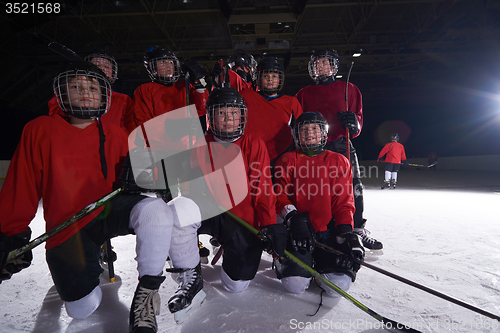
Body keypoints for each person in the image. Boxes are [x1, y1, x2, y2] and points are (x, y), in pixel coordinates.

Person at [0, 62, 203, 332]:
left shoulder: (117, 134)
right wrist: (10, 234)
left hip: (108, 211)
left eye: (92, 87)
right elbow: (21, 186)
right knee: (82, 308)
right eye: (76, 87)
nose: (85, 92)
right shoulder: (40, 130)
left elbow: (145, 168)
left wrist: (151, 176)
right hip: (69, 225)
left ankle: (146, 295)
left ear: (104, 95)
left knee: (155, 209)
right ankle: (88, 264)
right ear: (62, 94)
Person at [193, 87, 287, 293]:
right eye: (222, 113)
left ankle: (230, 245)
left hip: (240, 217)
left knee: (236, 285)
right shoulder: (199, 145)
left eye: (234, 113)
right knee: (178, 215)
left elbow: (261, 187)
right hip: (210, 212)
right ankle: (187, 270)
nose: (228, 118)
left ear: (242, 116)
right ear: (211, 117)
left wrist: (269, 224)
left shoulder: (253, 143)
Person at [295, 49, 382, 250]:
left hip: (342, 143)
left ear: (334, 66)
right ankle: (320, 227)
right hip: (314, 146)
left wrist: (353, 124)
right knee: (315, 187)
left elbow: (358, 123)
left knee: (354, 186)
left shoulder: (349, 89)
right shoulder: (303, 93)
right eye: (317, 64)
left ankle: (357, 229)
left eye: (325, 63)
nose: (321, 67)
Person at [273, 112, 364, 295]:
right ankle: (287, 260)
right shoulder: (287, 160)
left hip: (327, 231)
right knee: (295, 285)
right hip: (298, 231)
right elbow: (279, 195)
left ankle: (322, 264)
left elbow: (343, 201)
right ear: (297, 134)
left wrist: (346, 232)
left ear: (323, 133)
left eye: (314, 128)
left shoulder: (339, 160)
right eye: (304, 130)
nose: (310, 133)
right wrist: (293, 217)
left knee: (338, 287)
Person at [133, 46, 209, 150]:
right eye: (162, 62)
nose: (168, 66)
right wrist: (172, 128)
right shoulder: (145, 90)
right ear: (152, 67)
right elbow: (144, 126)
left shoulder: (185, 86)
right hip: (161, 150)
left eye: (171, 62)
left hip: (190, 147)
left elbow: (202, 109)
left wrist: (199, 84)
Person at [47, 50, 135, 135]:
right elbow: (57, 117)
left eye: (107, 67)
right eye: (96, 65)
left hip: (111, 145)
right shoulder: (70, 95)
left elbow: (129, 128)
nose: (102, 69)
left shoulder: (123, 99)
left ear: (112, 73)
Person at [240, 56, 303, 164]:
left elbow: (301, 132)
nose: (270, 79)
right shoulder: (247, 96)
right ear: (259, 78)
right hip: (250, 155)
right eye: (266, 76)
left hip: (282, 156)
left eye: (274, 76)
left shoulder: (291, 102)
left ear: (279, 80)